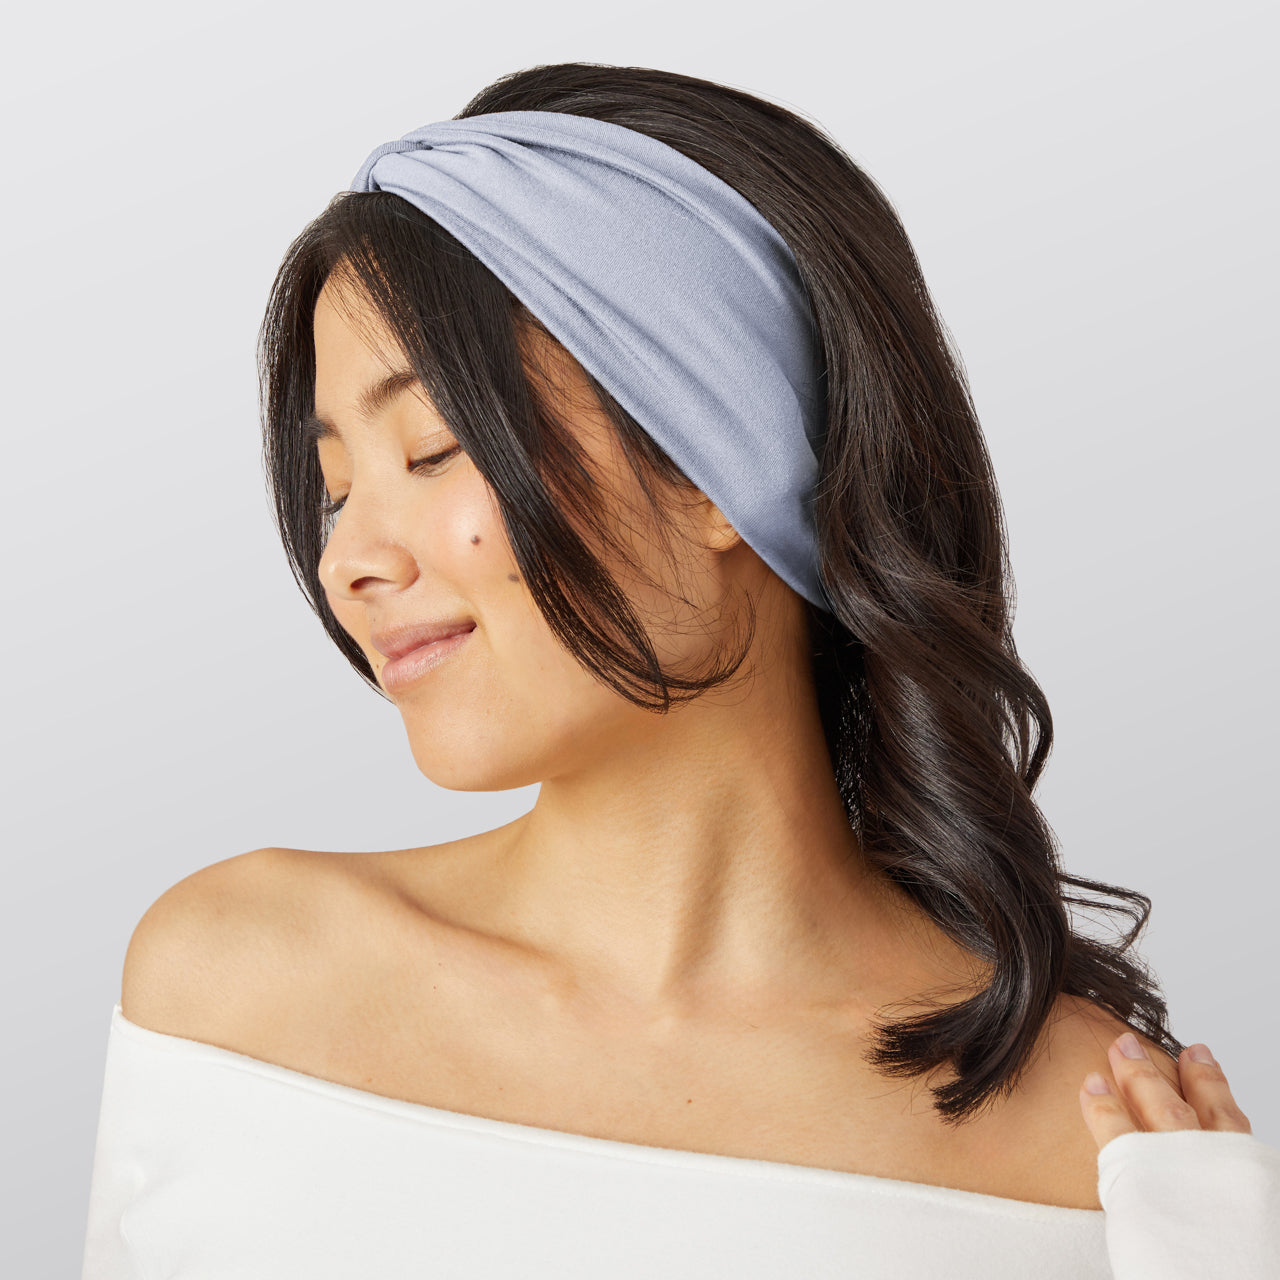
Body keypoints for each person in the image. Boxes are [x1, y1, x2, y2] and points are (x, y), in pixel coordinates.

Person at [80, 62, 1279, 1278]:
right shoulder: (235, 985)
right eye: (336, 487)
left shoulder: (1090, 1127)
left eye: (433, 448)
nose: (347, 561)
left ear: (719, 462)